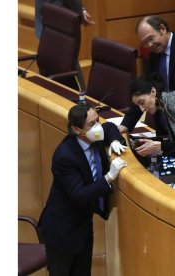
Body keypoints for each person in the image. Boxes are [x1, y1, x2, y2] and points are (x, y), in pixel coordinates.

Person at [39, 103, 128, 275]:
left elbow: (109, 128)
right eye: (91, 124)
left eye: (97, 120)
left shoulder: (95, 136)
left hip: (83, 225)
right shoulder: (65, 157)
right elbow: (79, 195)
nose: (97, 127)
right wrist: (108, 177)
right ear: (77, 129)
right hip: (61, 230)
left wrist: (115, 140)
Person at [34, 0, 95, 92]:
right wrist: (81, 13)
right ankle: (83, 95)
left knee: (50, 61)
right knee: (67, 62)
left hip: (46, 17)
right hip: (60, 19)